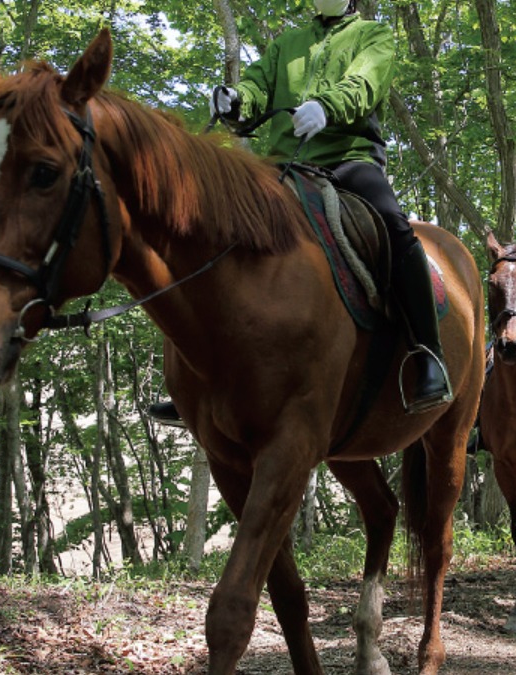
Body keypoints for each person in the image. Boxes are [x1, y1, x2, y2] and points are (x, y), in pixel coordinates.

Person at [149, 0, 450, 426]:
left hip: (349, 159)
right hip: (281, 164)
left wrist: (328, 107)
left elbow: (365, 83)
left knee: (393, 228)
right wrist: (237, 100)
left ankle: (427, 354)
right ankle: (197, 374)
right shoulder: (285, 44)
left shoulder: (374, 35)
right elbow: (256, 87)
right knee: (210, 229)